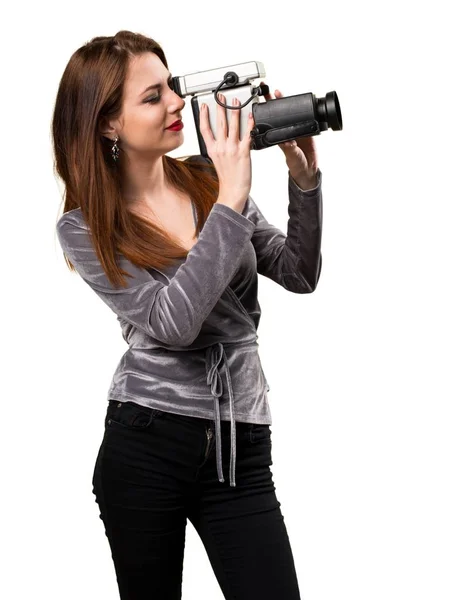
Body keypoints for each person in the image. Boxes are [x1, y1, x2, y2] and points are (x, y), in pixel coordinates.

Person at [53, 30, 323, 600]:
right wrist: (230, 197)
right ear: (108, 124)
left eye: (171, 87)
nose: (178, 103)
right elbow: (173, 323)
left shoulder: (206, 179)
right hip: (148, 443)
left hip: (240, 445)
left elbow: (298, 272)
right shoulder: (86, 226)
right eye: (153, 97)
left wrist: (304, 182)